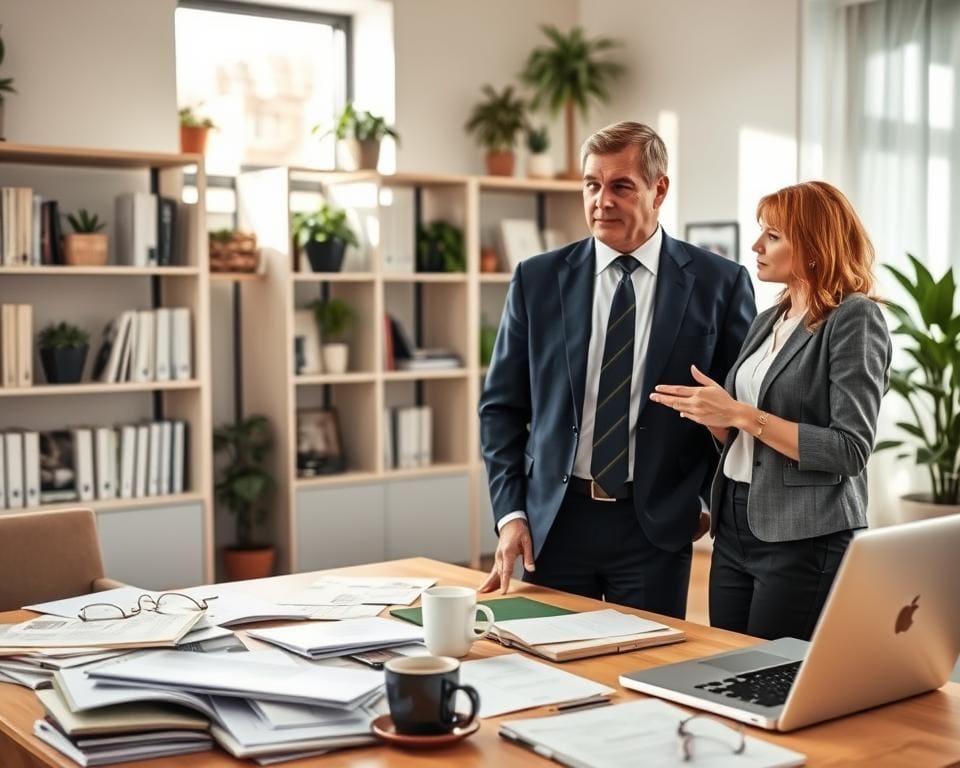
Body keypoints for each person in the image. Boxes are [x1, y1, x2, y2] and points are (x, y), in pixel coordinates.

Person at [477, 121, 756, 618]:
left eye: (620, 186)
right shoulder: (536, 280)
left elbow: (735, 411)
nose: (601, 200)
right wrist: (510, 514)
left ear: (659, 189)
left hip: (655, 526)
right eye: (591, 184)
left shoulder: (721, 283)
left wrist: (706, 504)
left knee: (647, 677)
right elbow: (501, 408)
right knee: (554, 673)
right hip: (554, 524)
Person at [650, 181, 892, 639]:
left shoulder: (854, 318)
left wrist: (741, 414)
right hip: (737, 521)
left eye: (773, 236)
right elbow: (746, 439)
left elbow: (849, 449)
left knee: (769, 677)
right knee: (728, 659)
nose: (756, 246)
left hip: (804, 532)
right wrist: (716, 418)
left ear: (815, 246)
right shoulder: (768, 320)